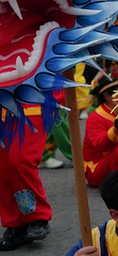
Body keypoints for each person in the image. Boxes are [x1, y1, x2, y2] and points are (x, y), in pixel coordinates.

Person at [0, 107, 52, 251]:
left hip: (30, 103)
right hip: (3, 105)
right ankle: (15, 224)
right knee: (3, 167)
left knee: (20, 160)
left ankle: (37, 217)